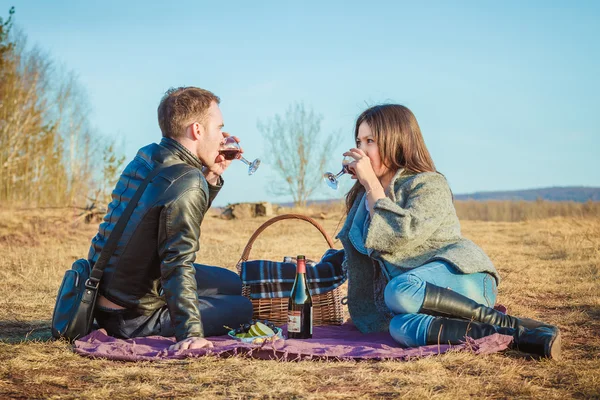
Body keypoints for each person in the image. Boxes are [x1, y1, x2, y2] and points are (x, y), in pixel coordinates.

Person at [336, 104, 561, 359]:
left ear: (396, 141)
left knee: (399, 291)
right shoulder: (364, 199)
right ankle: (523, 338)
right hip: (417, 297)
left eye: (370, 141)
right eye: (358, 141)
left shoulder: (429, 183)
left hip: (465, 279)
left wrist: (372, 187)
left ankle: (510, 325)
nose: (361, 151)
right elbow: (359, 253)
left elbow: (400, 234)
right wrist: (317, 271)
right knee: (400, 328)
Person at [89, 87, 253, 351]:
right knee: (244, 307)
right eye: (219, 127)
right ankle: (168, 316)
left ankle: (173, 303)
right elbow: (177, 261)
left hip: (108, 294)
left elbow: (171, 223)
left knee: (234, 283)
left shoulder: (148, 157)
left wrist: (210, 178)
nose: (223, 136)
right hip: (132, 317)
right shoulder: (187, 181)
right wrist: (190, 334)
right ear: (198, 130)